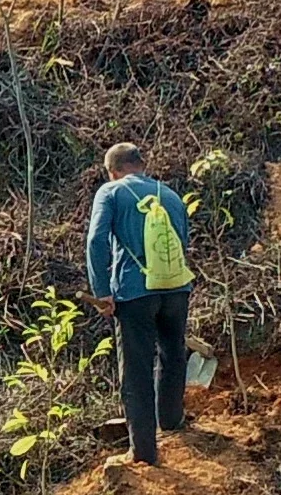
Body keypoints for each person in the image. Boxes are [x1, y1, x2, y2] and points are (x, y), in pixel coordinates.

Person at [82, 143, 198, 465]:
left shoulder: (111, 192)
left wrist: (102, 290)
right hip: (176, 288)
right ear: (142, 165)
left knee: (136, 369)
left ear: (112, 170)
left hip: (135, 292)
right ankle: (171, 421)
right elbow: (184, 241)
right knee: (173, 354)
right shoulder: (171, 195)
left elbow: (96, 240)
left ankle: (144, 451)